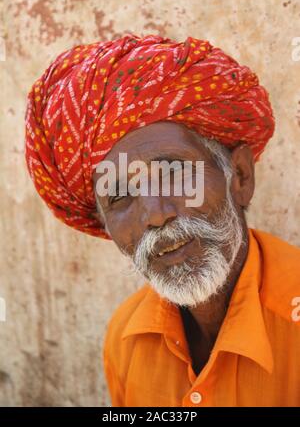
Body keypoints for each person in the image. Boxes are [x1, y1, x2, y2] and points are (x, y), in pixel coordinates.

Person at [25, 34, 300, 407]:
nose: (156, 214)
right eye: (119, 196)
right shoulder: (126, 339)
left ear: (239, 177)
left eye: (174, 171)